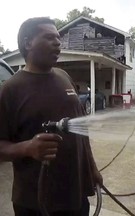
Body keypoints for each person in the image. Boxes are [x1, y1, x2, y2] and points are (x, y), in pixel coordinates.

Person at [0, 17, 103, 216]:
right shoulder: (10, 90)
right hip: (35, 202)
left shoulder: (64, 77)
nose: (58, 42)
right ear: (28, 43)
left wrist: (92, 169)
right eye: (49, 37)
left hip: (75, 196)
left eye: (58, 37)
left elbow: (82, 133)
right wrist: (27, 147)